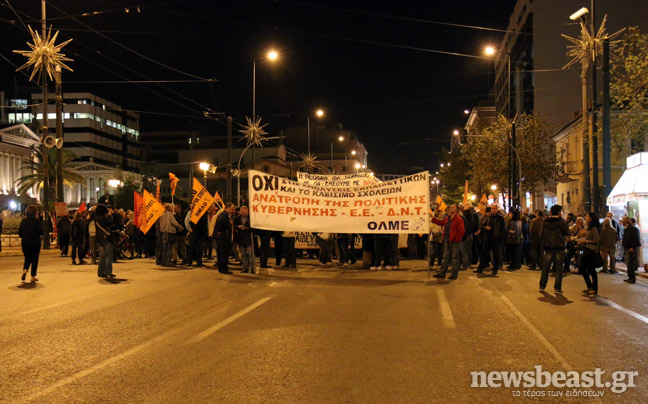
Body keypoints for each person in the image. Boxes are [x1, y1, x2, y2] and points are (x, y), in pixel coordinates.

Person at [539, 205, 570, 293]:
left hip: (548, 246)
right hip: (559, 247)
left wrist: (542, 243)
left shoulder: (545, 221)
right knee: (559, 268)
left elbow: (541, 234)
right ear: (559, 212)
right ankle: (557, 287)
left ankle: (542, 285)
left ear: (551, 212)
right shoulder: (562, 222)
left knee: (546, 267)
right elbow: (568, 232)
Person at [432, 204, 464, 280]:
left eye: (453, 207)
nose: (451, 209)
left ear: (456, 210)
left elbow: (461, 231)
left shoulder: (458, 219)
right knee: (445, 257)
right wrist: (432, 218)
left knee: (455, 258)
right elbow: (441, 223)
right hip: (447, 241)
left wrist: (456, 239)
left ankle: (454, 274)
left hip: (454, 242)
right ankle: (442, 273)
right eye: (450, 207)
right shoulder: (448, 218)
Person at [475, 204, 506, 275]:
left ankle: (495, 269)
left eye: (495, 208)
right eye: (492, 208)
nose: (493, 210)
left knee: (496, 255)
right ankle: (480, 269)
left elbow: (503, 229)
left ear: (497, 209)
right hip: (488, 238)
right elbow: (482, 226)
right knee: (484, 254)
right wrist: (485, 227)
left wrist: (500, 237)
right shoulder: (488, 217)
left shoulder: (501, 218)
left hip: (496, 239)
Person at [18, 205, 43, 283]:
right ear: (35, 213)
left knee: (27, 258)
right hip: (35, 242)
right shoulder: (36, 221)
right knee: (35, 259)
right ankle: (32, 276)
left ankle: (25, 270)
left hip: (25, 242)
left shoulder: (23, 221)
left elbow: (20, 233)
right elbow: (40, 232)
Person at [579, 212, 601, 295]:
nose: (585, 217)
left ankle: (594, 288)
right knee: (582, 269)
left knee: (591, 270)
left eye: (587, 216)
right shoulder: (589, 228)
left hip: (591, 251)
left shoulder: (594, 228)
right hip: (587, 249)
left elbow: (597, 240)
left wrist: (586, 241)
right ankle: (590, 286)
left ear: (592, 219)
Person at [94, 204, 115, 278]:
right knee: (108, 256)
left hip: (99, 240)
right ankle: (108, 271)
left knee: (102, 256)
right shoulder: (105, 218)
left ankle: (100, 272)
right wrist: (109, 215)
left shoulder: (96, 219)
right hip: (107, 238)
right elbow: (111, 223)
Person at [214, 202, 235, 274]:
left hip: (221, 237)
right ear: (228, 208)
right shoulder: (224, 215)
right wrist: (221, 231)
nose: (232, 211)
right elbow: (220, 224)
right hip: (223, 238)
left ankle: (221, 268)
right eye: (232, 209)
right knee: (223, 254)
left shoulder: (224, 215)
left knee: (221, 254)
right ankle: (224, 269)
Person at [234, 206, 256, 273]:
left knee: (250, 254)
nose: (244, 214)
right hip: (241, 239)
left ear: (248, 212)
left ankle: (252, 268)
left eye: (245, 213)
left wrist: (246, 228)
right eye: (242, 213)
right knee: (243, 254)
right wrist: (238, 226)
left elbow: (254, 227)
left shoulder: (251, 218)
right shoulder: (237, 218)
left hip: (249, 239)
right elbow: (234, 225)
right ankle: (245, 268)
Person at [621, 216, 641, 284]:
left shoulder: (632, 229)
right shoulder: (626, 229)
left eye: (622, 221)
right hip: (627, 248)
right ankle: (630, 277)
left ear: (626, 221)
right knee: (628, 263)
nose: (622, 222)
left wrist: (632, 247)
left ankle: (632, 278)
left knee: (630, 263)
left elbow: (635, 239)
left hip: (630, 248)